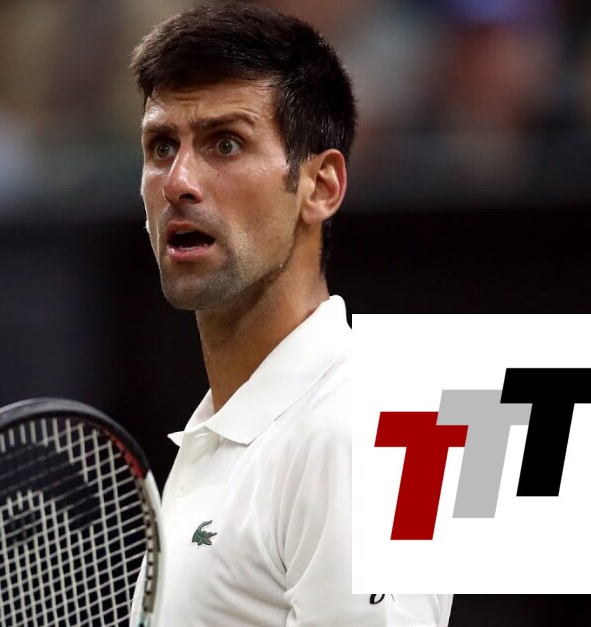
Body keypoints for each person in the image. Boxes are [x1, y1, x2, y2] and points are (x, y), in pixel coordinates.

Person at [128, 5, 451, 625]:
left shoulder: (353, 431)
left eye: (226, 143)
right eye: (162, 146)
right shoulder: (220, 435)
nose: (177, 182)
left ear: (321, 186)